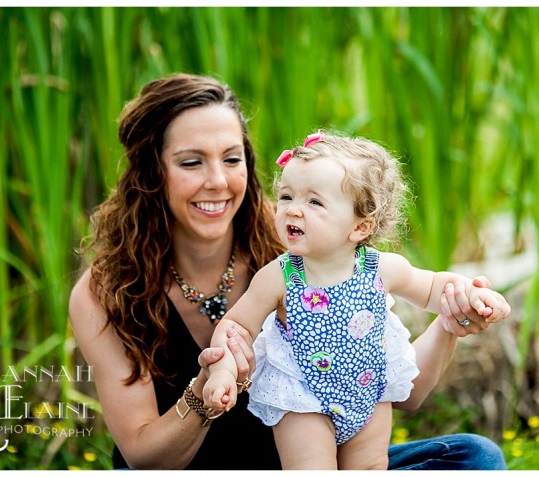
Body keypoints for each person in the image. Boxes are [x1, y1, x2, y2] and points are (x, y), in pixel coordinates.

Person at [69, 73, 508, 470]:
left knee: (474, 456)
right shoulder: (109, 290)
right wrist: (205, 393)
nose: (218, 181)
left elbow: (407, 392)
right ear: (151, 172)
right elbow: (145, 457)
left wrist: (451, 319)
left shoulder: (299, 237)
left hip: (304, 459)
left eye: (232, 159)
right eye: (191, 162)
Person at [200, 131, 511, 469]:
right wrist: (223, 373)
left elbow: (436, 288)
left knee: (370, 468)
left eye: (314, 202)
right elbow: (235, 328)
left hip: (367, 391)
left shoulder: (382, 268)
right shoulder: (280, 276)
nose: (293, 211)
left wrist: (476, 295)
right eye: (287, 197)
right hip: (303, 398)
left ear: (360, 227)